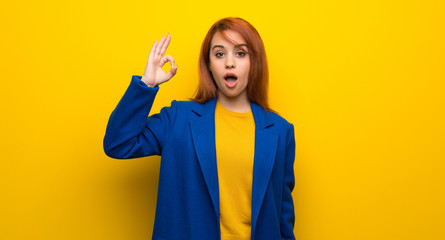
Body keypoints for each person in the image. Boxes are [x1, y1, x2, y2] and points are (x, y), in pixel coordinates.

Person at [103, 17, 296, 240]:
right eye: (219, 54)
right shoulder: (179, 118)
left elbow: (282, 217)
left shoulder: (281, 131)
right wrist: (146, 84)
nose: (229, 63)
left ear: (255, 62)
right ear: (209, 65)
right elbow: (118, 144)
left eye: (241, 53)